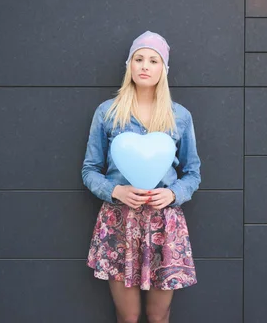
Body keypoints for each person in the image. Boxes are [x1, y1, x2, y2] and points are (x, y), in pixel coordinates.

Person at [82, 30, 202, 323]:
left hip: (165, 224)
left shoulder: (179, 117)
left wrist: (173, 193)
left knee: (158, 316)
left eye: (153, 60)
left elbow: (192, 173)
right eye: (139, 59)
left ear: (164, 69)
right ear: (129, 66)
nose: (145, 66)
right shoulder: (107, 113)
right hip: (119, 223)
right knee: (129, 316)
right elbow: (89, 170)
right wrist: (115, 191)